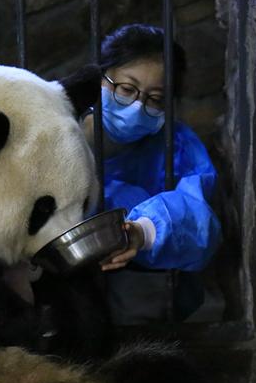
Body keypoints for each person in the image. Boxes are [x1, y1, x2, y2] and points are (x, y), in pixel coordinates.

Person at [82, 23, 222, 324]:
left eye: (155, 98)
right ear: (100, 79)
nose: (137, 106)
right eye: (126, 89)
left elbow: (199, 221)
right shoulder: (59, 131)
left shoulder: (178, 147)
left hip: (146, 295)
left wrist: (142, 231)